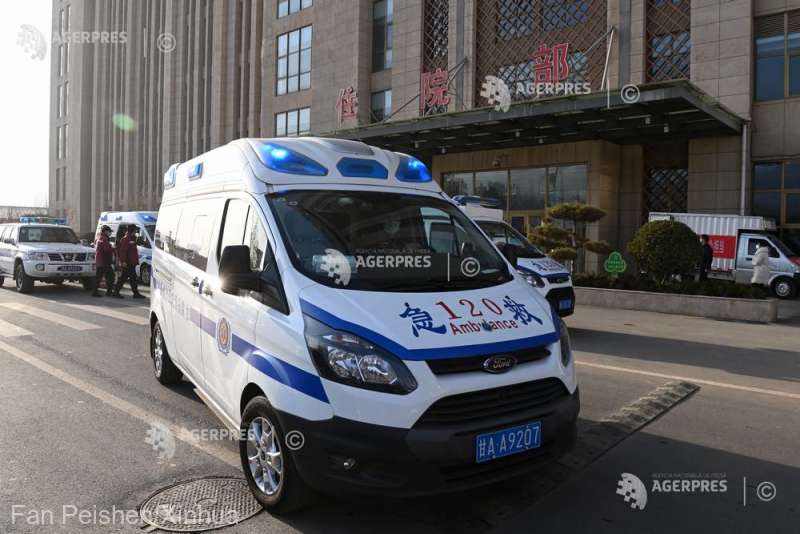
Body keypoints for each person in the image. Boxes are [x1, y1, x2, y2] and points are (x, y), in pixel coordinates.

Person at [113, 225, 145, 299]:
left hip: (131, 262)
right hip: (128, 263)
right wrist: (123, 261)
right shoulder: (126, 239)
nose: (136, 232)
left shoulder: (131, 238)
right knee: (126, 278)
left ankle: (134, 293)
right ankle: (117, 292)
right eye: (135, 230)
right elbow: (123, 251)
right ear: (132, 230)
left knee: (129, 278)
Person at [92, 225, 116, 297]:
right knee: (111, 276)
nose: (110, 233)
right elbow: (106, 250)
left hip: (100, 260)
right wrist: (113, 249)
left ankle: (95, 292)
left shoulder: (99, 238)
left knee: (99, 277)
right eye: (109, 231)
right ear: (105, 231)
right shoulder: (104, 239)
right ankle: (108, 292)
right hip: (104, 261)